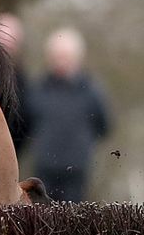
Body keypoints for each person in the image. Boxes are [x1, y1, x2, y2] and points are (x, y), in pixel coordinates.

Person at [25, 27, 111, 201]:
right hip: (44, 172)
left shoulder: (91, 90)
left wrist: (82, 145)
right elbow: (27, 124)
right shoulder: (37, 89)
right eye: (57, 56)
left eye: (66, 56)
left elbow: (104, 126)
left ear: (77, 58)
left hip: (76, 172)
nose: (61, 61)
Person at [0, 13, 31, 152]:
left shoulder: (23, 81)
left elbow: (25, 121)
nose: (5, 45)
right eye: (1, 38)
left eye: (9, 40)